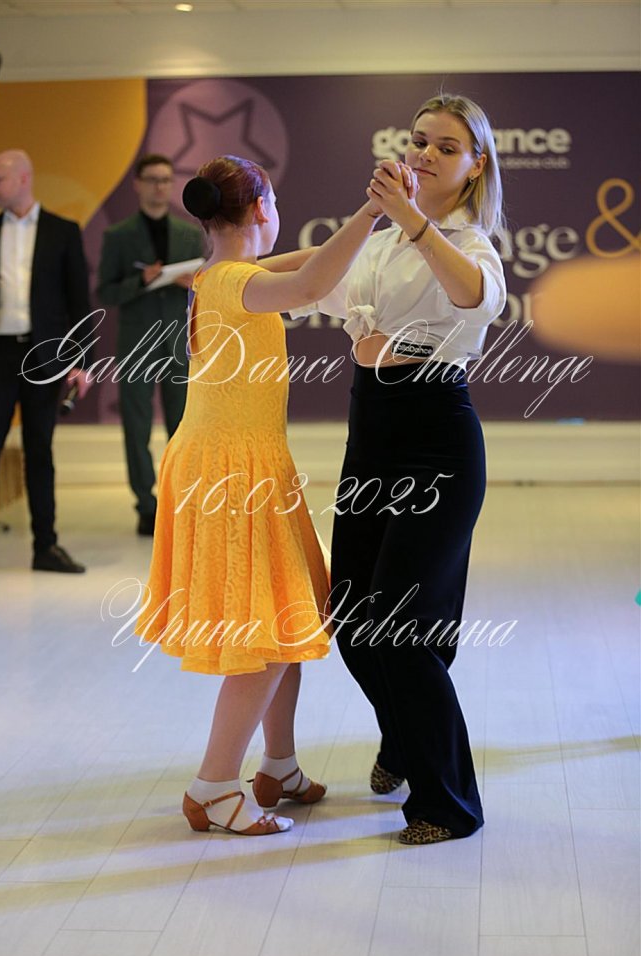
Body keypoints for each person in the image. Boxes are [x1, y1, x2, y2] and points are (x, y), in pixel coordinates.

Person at [135, 155, 383, 836]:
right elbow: (312, 281)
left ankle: (278, 766)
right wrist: (371, 212)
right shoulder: (239, 282)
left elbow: (301, 263)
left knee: (284, 622)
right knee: (265, 635)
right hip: (232, 473)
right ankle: (214, 787)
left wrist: (380, 233)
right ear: (260, 208)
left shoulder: (219, 274)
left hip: (236, 462)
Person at [297, 94, 507, 844]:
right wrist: (226, 272)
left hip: (436, 443)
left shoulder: (470, 244)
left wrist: (411, 218)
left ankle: (448, 802)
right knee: (353, 618)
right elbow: (309, 275)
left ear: (475, 166)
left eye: (446, 147)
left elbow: (476, 297)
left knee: (401, 627)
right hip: (371, 438)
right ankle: (404, 738)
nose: (425, 154)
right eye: (420, 140)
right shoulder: (382, 241)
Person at [0, 149, 91, 572]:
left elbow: (79, 301)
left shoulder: (63, 232)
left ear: (23, 178)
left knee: (39, 450)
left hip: (44, 356)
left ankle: (46, 546)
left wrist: (82, 361)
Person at [97, 154, 207, 536]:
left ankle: (182, 500)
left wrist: (193, 283)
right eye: (153, 179)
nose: (160, 186)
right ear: (138, 184)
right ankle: (146, 504)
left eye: (165, 179)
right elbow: (105, 292)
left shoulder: (189, 233)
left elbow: (207, 286)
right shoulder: (118, 235)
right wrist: (141, 281)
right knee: (137, 426)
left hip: (178, 340)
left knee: (184, 426)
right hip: (137, 342)